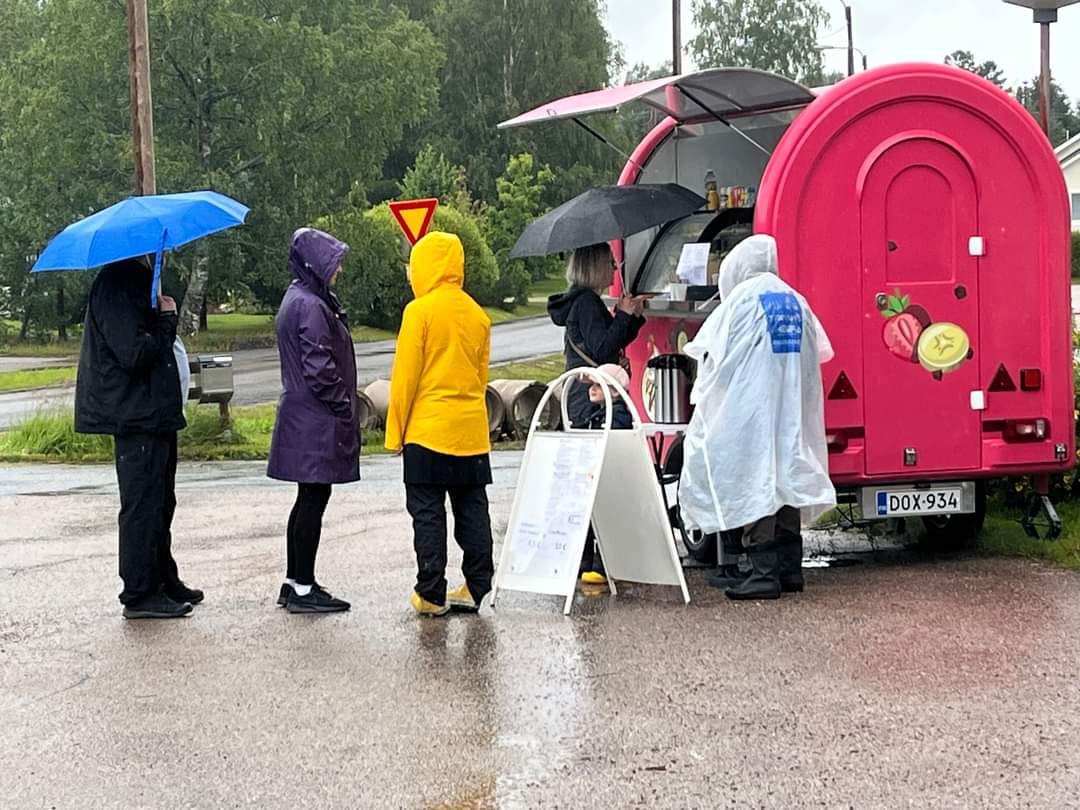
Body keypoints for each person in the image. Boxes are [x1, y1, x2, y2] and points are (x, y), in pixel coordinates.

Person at [679, 235, 836, 601]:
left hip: (751, 406)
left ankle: (762, 572)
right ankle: (789, 568)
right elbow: (819, 351)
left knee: (755, 478)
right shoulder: (796, 300)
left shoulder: (742, 301)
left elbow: (711, 355)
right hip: (792, 403)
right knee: (786, 474)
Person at [75, 258, 200, 619]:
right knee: (142, 505)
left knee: (161, 501)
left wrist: (161, 316)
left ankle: (163, 577)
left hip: (154, 412)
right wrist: (166, 320)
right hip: (134, 413)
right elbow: (134, 353)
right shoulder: (117, 284)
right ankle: (140, 592)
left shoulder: (140, 278)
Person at [386, 231, 495, 618]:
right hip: (470, 433)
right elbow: (481, 378)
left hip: (428, 431)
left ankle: (431, 592)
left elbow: (405, 379)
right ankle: (478, 586)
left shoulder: (419, 312)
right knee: (472, 510)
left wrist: (395, 433)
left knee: (428, 512)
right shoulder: (478, 316)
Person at [267, 227, 359, 614]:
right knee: (313, 500)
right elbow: (319, 367)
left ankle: (296, 581)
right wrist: (344, 405)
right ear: (316, 263)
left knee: (307, 499)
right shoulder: (311, 306)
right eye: (334, 262)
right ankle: (303, 587)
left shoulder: (299, 298)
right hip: (315, 419)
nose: (339, 269)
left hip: (304, 415)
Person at [546, 242, 647, 430]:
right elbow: (603, 348)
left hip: (584, 391)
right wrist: (623, 314)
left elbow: (613, 341)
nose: (615, 269)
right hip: (591, 393)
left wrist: (632, 317)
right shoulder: (587, 303)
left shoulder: (582, 300)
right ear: (596, 267)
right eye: (611, 263)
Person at [576, 363, 633, 585]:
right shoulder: (593, 414)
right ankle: (583, 562)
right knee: (587, 520)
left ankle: (602, 565)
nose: (592, 389)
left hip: (610, 477)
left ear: (615, 391)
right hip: (593, 476)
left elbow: (616, 443)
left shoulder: (618, 416)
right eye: (591, 385)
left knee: (606, 520)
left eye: (598, 385)